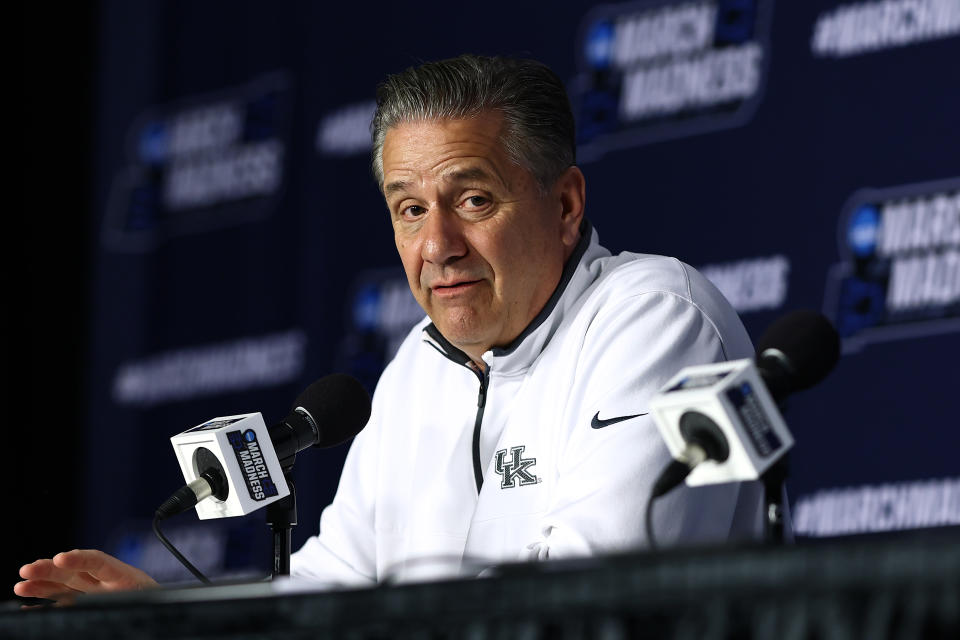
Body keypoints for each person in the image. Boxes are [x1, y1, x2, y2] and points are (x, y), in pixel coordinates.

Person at [15, 54, 764, 599]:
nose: (437, 246)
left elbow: (593, 596)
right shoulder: (417, 368)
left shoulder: (657, 319)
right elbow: (332, 589)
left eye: (472, 199)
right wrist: (169, 620)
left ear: (565, 207)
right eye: (410, 209)